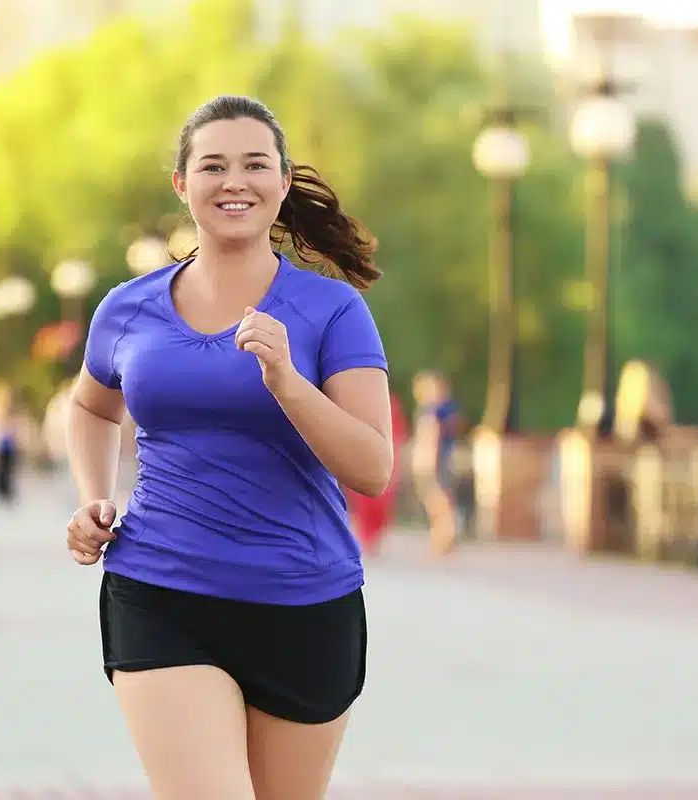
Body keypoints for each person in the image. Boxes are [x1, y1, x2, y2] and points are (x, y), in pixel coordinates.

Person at [65, 95, 391, 800]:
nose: (233, 181)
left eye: (254, 165)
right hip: (160, 592)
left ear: (282, 182)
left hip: (305, 604)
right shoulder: (127, 307)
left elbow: (372, 468)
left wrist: (289, 384)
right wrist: (94, 496)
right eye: (212, 166)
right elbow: (90, 405)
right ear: (182, 185)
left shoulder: (334, 311)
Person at [344, 391, 408, 556]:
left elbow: (398, 434)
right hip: (363, 453)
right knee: (364, 499)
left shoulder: (390, 402)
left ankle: (374, 538)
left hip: (384, 454)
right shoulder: (357, 398)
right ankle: (367, 538)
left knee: (381, 499)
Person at [410, 370, 465, 555]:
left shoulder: (432, 412)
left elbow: (429, 439)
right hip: (442, 459)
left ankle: (443, 539)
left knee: (438, 502)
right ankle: (443, 539)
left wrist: (425, 462)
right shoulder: (445, 411)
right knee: (440, 501)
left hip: (434, 461)